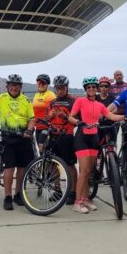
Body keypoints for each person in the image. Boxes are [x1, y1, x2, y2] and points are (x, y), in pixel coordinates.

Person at [0, 74, 35, 211]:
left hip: (23, 137)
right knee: (9, 168)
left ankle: (18, 194)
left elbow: (32, 119)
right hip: (7, 138)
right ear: (7, 86)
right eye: (12, 85)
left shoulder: (26, 100)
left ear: (20, 87)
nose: (14, 88)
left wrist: (29, 130)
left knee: (22, 168)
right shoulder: (2, 98)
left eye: (17, 85)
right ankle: (8, 197)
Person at [68, 77, 126, 213]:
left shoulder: (99, 105)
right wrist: (78, 122)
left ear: (97, 88)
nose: (92, 89)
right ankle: (77, 203)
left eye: (94, 87)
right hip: (82, 138)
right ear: (85, 89)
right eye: (89, 87)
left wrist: (125, 117)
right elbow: (71, 116)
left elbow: (111, 116)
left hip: (94, 138)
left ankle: (85, 199)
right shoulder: (80, 101)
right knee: (84, 171)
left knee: (89, 172)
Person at [45, 75, 77, 205]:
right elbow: (46, 119)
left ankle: (72, 192)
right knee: (51, 163)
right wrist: (49, 116)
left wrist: (65, 116)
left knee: (69, 165)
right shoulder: (52, 102)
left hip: (67, 136)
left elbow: (77, 120)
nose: (60, 91)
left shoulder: (73, 101)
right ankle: (57, 190)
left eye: (62, 88)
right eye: (57, 88)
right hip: (53, 135)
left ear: (67, 87)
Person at [31, 74, 56, 153]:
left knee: (42, 147)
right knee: (40, 150)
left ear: (47, 84)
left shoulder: (50, 95)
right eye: (39, 83)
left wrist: (50, 115)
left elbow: (55, 108)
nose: (41, 84)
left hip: (46, 127)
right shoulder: (36, 95)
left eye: (43, 83)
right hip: (38, 127)